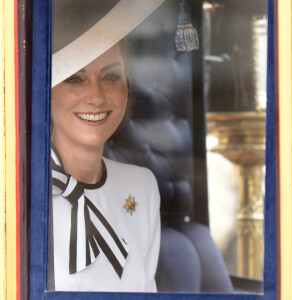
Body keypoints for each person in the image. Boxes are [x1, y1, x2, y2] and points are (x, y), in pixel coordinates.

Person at [49, 0, 165, 292]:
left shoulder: (142, 186)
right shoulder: (14, 194)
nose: (96, 96)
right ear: (45, 90)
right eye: (74, 78)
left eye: (111, 77)